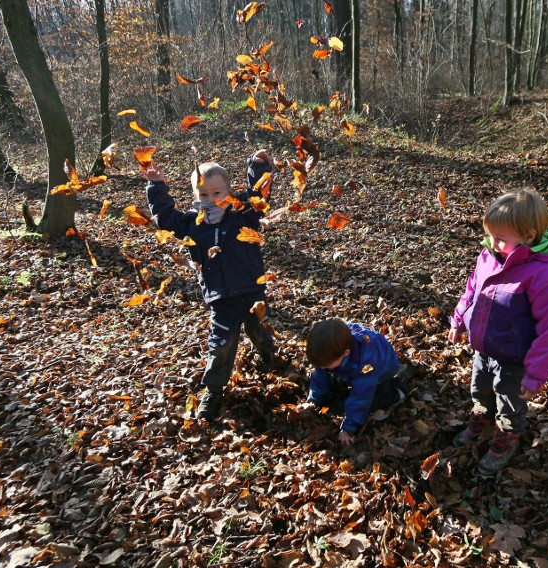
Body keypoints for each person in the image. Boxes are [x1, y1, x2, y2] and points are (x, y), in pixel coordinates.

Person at [448, 188, 548, 476]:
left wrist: (536, 373)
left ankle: (507, 437)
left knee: (509, 400)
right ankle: (482, 418)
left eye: (500, 238)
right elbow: (472, 289)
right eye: (490, 234)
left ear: (529, 236)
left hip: (515, 359)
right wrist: (458, 320)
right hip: (485, 347)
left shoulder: (547, 275)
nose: (492, 243)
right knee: (480, 390)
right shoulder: (490, 255)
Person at [143, 150, 276, 420]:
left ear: (228, 191)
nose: (212, 200)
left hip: (251, 290)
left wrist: (258, 166)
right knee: (221, 345)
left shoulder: (242, 213)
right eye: (204, 195)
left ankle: (265, 351)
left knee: (257, 328)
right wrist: (156, 186)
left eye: (217, 193)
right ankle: (214, 390)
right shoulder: (194, 224)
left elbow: (258, 195)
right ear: (196, 195)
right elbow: (166, 219)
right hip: (220, 296)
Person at [305, 319, 407, 446]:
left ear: (346, 353)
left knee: (374, 399)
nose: (322, 367)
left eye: (325, 365)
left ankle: (396, 392)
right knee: (333, 381)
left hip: (382, 370)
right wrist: (313, 401)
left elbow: (361, 397)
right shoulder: (330, 349)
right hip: (349, 366)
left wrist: (348, 428)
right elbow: (320, 375)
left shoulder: (365, 363)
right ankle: (339, 377)